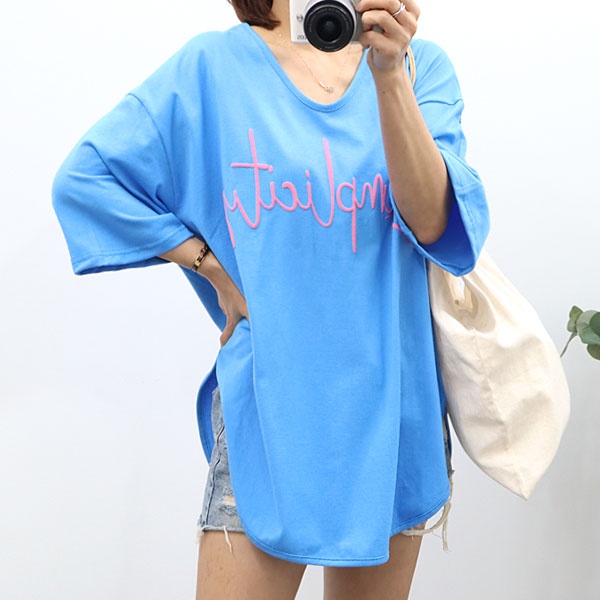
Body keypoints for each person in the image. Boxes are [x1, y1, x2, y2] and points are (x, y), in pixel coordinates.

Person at [52, 0, 490, 597]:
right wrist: (208, 266)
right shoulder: (212, 67)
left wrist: (388, 74)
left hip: (392, 411)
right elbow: (88, 178)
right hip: (269, 409)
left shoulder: (419, 68)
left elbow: (435, 222)